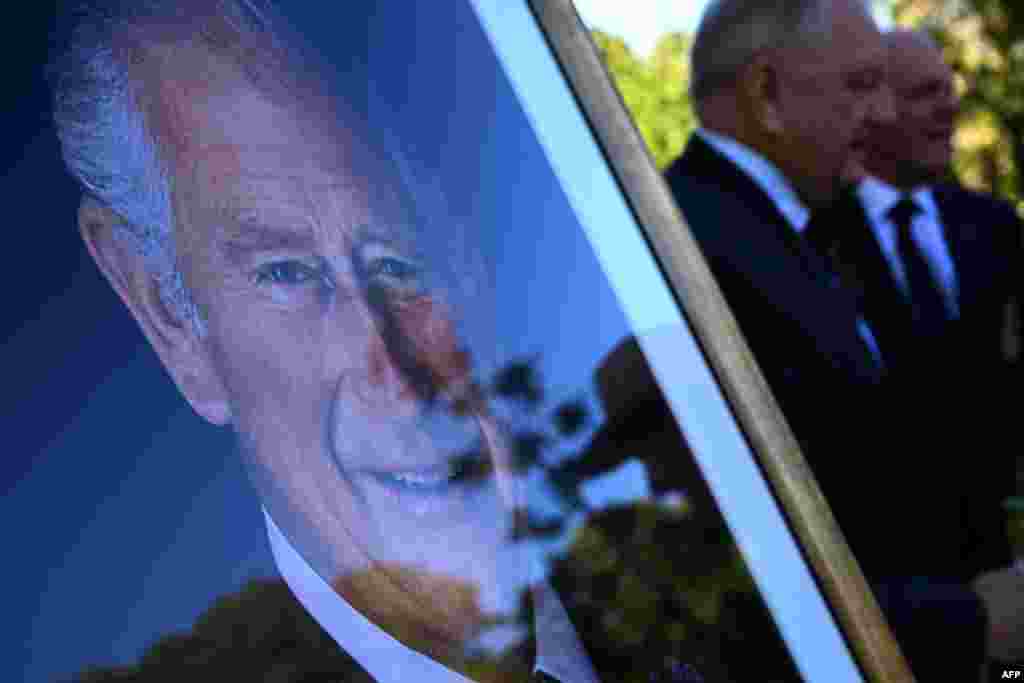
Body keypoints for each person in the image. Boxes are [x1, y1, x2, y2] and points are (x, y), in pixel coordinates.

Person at [48, 2, 600, 681]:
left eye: (405, 261)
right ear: (166, 314)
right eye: (288, 273)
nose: (397, 376)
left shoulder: (706, 499)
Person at [663, 0, 1020, 678]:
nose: (883, 115)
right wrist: (973, 617)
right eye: (860, 85)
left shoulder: (773, 232)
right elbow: (736, 581)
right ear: (767, 94)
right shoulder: (698, 250)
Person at [826, 27, 1024, 666]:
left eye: (949, 91)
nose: (949, 109)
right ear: (870, 108)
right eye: (924, 94)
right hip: (890, 604)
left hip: (1005, 578)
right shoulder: (814, 244)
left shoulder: (994, 229)